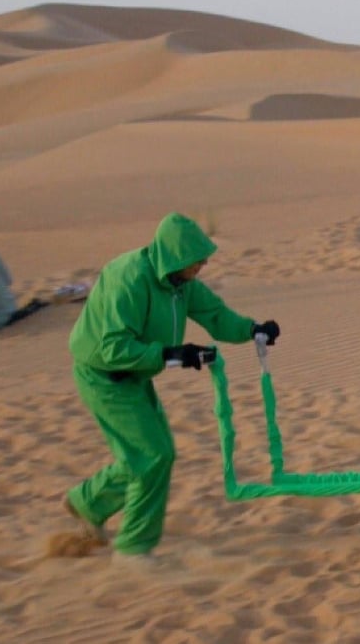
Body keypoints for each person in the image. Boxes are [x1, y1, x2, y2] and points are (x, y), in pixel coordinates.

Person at [62, 212, 280, 564]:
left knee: (152, 453)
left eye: (204, 257)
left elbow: (215, 316)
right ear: (174, 256)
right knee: (153, 454)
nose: (203, 264)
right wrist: (170, 354)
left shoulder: (182, 284)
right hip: (103, 376)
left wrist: (253, 329)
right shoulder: (129, 278)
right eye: (196, 258)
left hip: (134, 374)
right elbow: (112, 347)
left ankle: (87, 503)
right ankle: (133, 550)